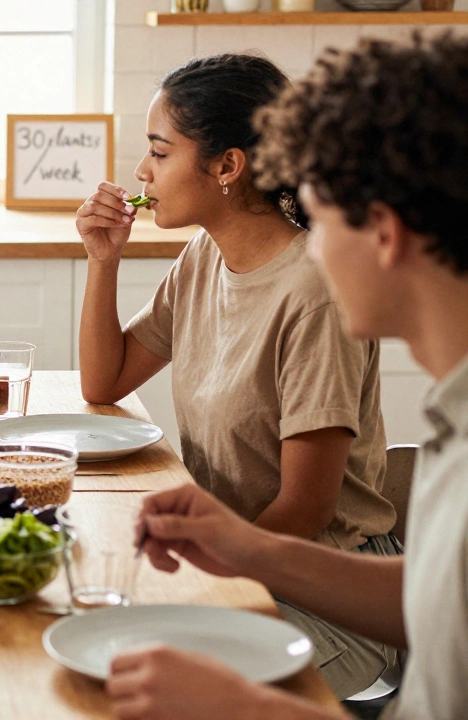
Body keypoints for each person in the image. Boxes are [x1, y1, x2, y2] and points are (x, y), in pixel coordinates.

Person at [105, 33, 468, 720]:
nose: (312, 243)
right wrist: (239, 545)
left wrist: (247, 708)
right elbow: (437, 601)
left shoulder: (308, 288)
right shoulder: (457, 421)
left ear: (383, 233)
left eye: (320, 215)